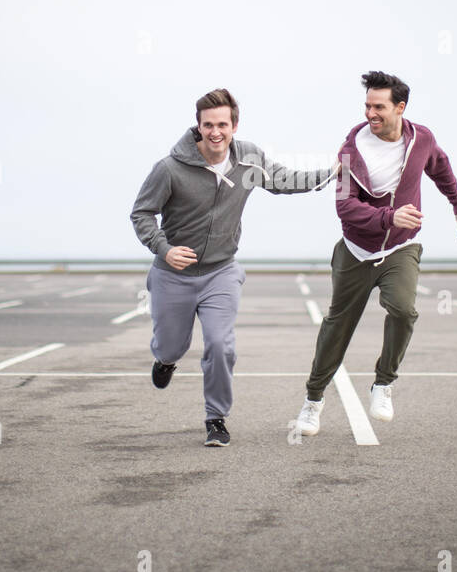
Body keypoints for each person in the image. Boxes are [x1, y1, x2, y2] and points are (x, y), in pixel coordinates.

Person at [131, 88, 338, 446]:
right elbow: (142, 213)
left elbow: (285, 180)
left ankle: (216, 419)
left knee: (220, 344)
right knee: (170, 346)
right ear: (198, 127)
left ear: (234, 125)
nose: (216, 132)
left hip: (220, 272)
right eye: (208, 125)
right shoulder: (169, 169)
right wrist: (164, 250)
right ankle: (165, 361)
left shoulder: (248, 161)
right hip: (172, 276)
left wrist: (334, 171)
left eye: (222, 124)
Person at [294, 71, 457, 436]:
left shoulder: (422, 139)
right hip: (356, 250)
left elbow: (441, 169)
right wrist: (390, 215)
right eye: (367, 106)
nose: (370, 113)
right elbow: (345, 208)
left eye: (379, 106)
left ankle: (383, 383)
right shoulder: (350, 151)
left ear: (400, 107)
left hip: (401, 247)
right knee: (337, 327)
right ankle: (313, 402)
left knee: (404, 310)